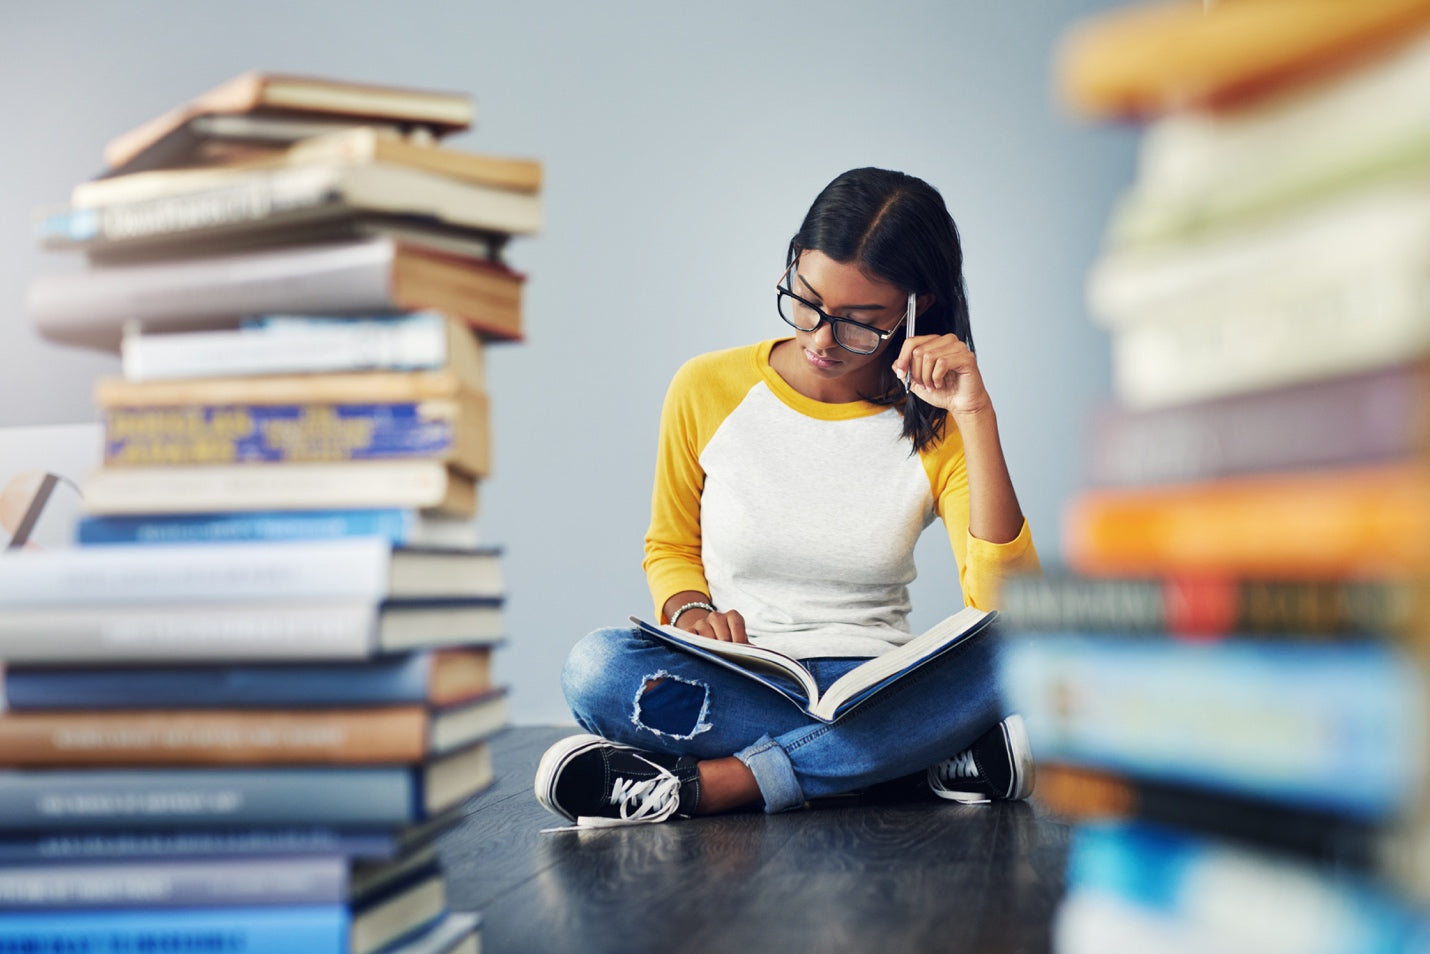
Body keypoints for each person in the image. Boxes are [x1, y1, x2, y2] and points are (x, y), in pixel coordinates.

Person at [535, 167, 1041, 828]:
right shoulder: (706, 387)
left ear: (921, 310)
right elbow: (669, 546)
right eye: (806, 301)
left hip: (882, 688)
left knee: (1029, 639)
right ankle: (914, 761)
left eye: (862, 323)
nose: (821, 339)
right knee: (596, 669)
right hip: (743, 683)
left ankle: (715, 786)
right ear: (793, 265)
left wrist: (976, 416)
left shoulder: (939, 423)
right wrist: (690, 609)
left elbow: (1003, 605)